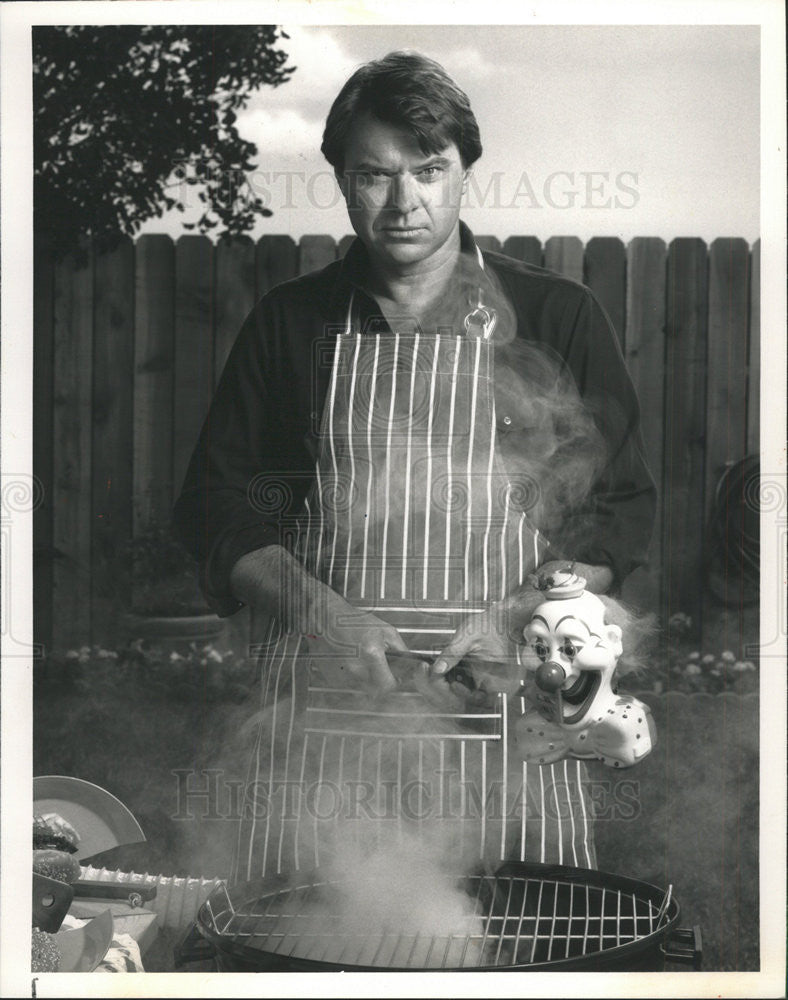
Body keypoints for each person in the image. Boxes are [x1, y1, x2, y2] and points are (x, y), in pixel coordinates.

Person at [173, 51, 656, 883]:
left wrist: (515, 618)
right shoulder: (290, 325)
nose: (404, 203)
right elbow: (218, 508)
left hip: (513, 711)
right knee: (313, 934)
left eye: (429, 170)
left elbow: (617, 509)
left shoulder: (557, 315)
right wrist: (322, 615)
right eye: (375, 175)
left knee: (523, 937)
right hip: (327, 714)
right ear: (341, 178)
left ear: (465, 170)